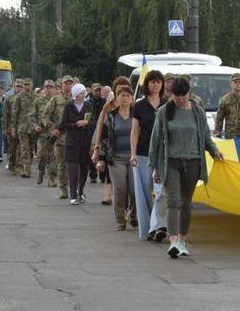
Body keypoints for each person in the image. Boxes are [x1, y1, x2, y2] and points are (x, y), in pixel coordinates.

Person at [148, 77, 224, 258]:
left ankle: (182, 240)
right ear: (171, 94)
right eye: (177, 95)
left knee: (186, 203)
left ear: (189, 94)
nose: (180, 99)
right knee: (173, 201)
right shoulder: (164, 112)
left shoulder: (197, 111)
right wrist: (155, 167)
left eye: (183, 95)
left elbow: (205, 136)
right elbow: (156, 140)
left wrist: (215, 151)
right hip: (171, 162)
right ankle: (173, 241)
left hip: (192, 162)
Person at [131, 70, 166, 241]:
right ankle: (146, 230)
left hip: (162, 155)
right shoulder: (139, 105)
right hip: (143, 153)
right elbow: (135, 131)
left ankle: (158, 226)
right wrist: (133, 153)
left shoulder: (167, 104)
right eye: (152, 82)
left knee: (161, 192)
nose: (155, 85)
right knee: (144, 193)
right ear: (147, 84)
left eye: (159, 82)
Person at [95, 85, 136, 227]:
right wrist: (101, 158)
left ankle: (134, 214)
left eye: (127, 96)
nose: (124, 98)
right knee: (120, 189)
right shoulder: (111, 116)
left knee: (134, 190)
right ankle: (120, 219)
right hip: (116, 158)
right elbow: (104, 138)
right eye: (122, 95)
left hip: (134, 158)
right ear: (116, 97)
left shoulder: (136, 115)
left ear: (132, 99)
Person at [59, 83, 93, 204]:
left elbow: (93, 121)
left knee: (84, 169)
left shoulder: (88, 105)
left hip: (85, 142)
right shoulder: (69, 107)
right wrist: (75, 124)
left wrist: (87, 123)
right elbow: (63, 124)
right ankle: (73, 195)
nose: (84, 95)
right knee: (73, 170)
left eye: (84, 93)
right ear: (76, 95)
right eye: (81, 93)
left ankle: (80, 191)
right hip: (72, 143)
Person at [51, 77, 74, 199]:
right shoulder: (55, 99)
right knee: (62, 164)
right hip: (60, 137)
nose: (68, 86)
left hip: (74, 137)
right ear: (62, 85)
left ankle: (75, 189)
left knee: (74, 165)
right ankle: (64, 189)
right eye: (66, 83)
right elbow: (45, 115)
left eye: (70, 84)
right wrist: (52, 128)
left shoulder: (76, 98)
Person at [33, 80, 58, 187]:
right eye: (47, 87)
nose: (48, 89)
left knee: (54, 157)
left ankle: (51, 178)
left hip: (54, 134)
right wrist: (35, 125)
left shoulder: (58, 101)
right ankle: (41, 171)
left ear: (54, 89)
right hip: (42, 134)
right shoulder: (38, 101)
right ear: (43, 88)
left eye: (51, 87)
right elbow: (32, 115)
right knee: (41, 156)